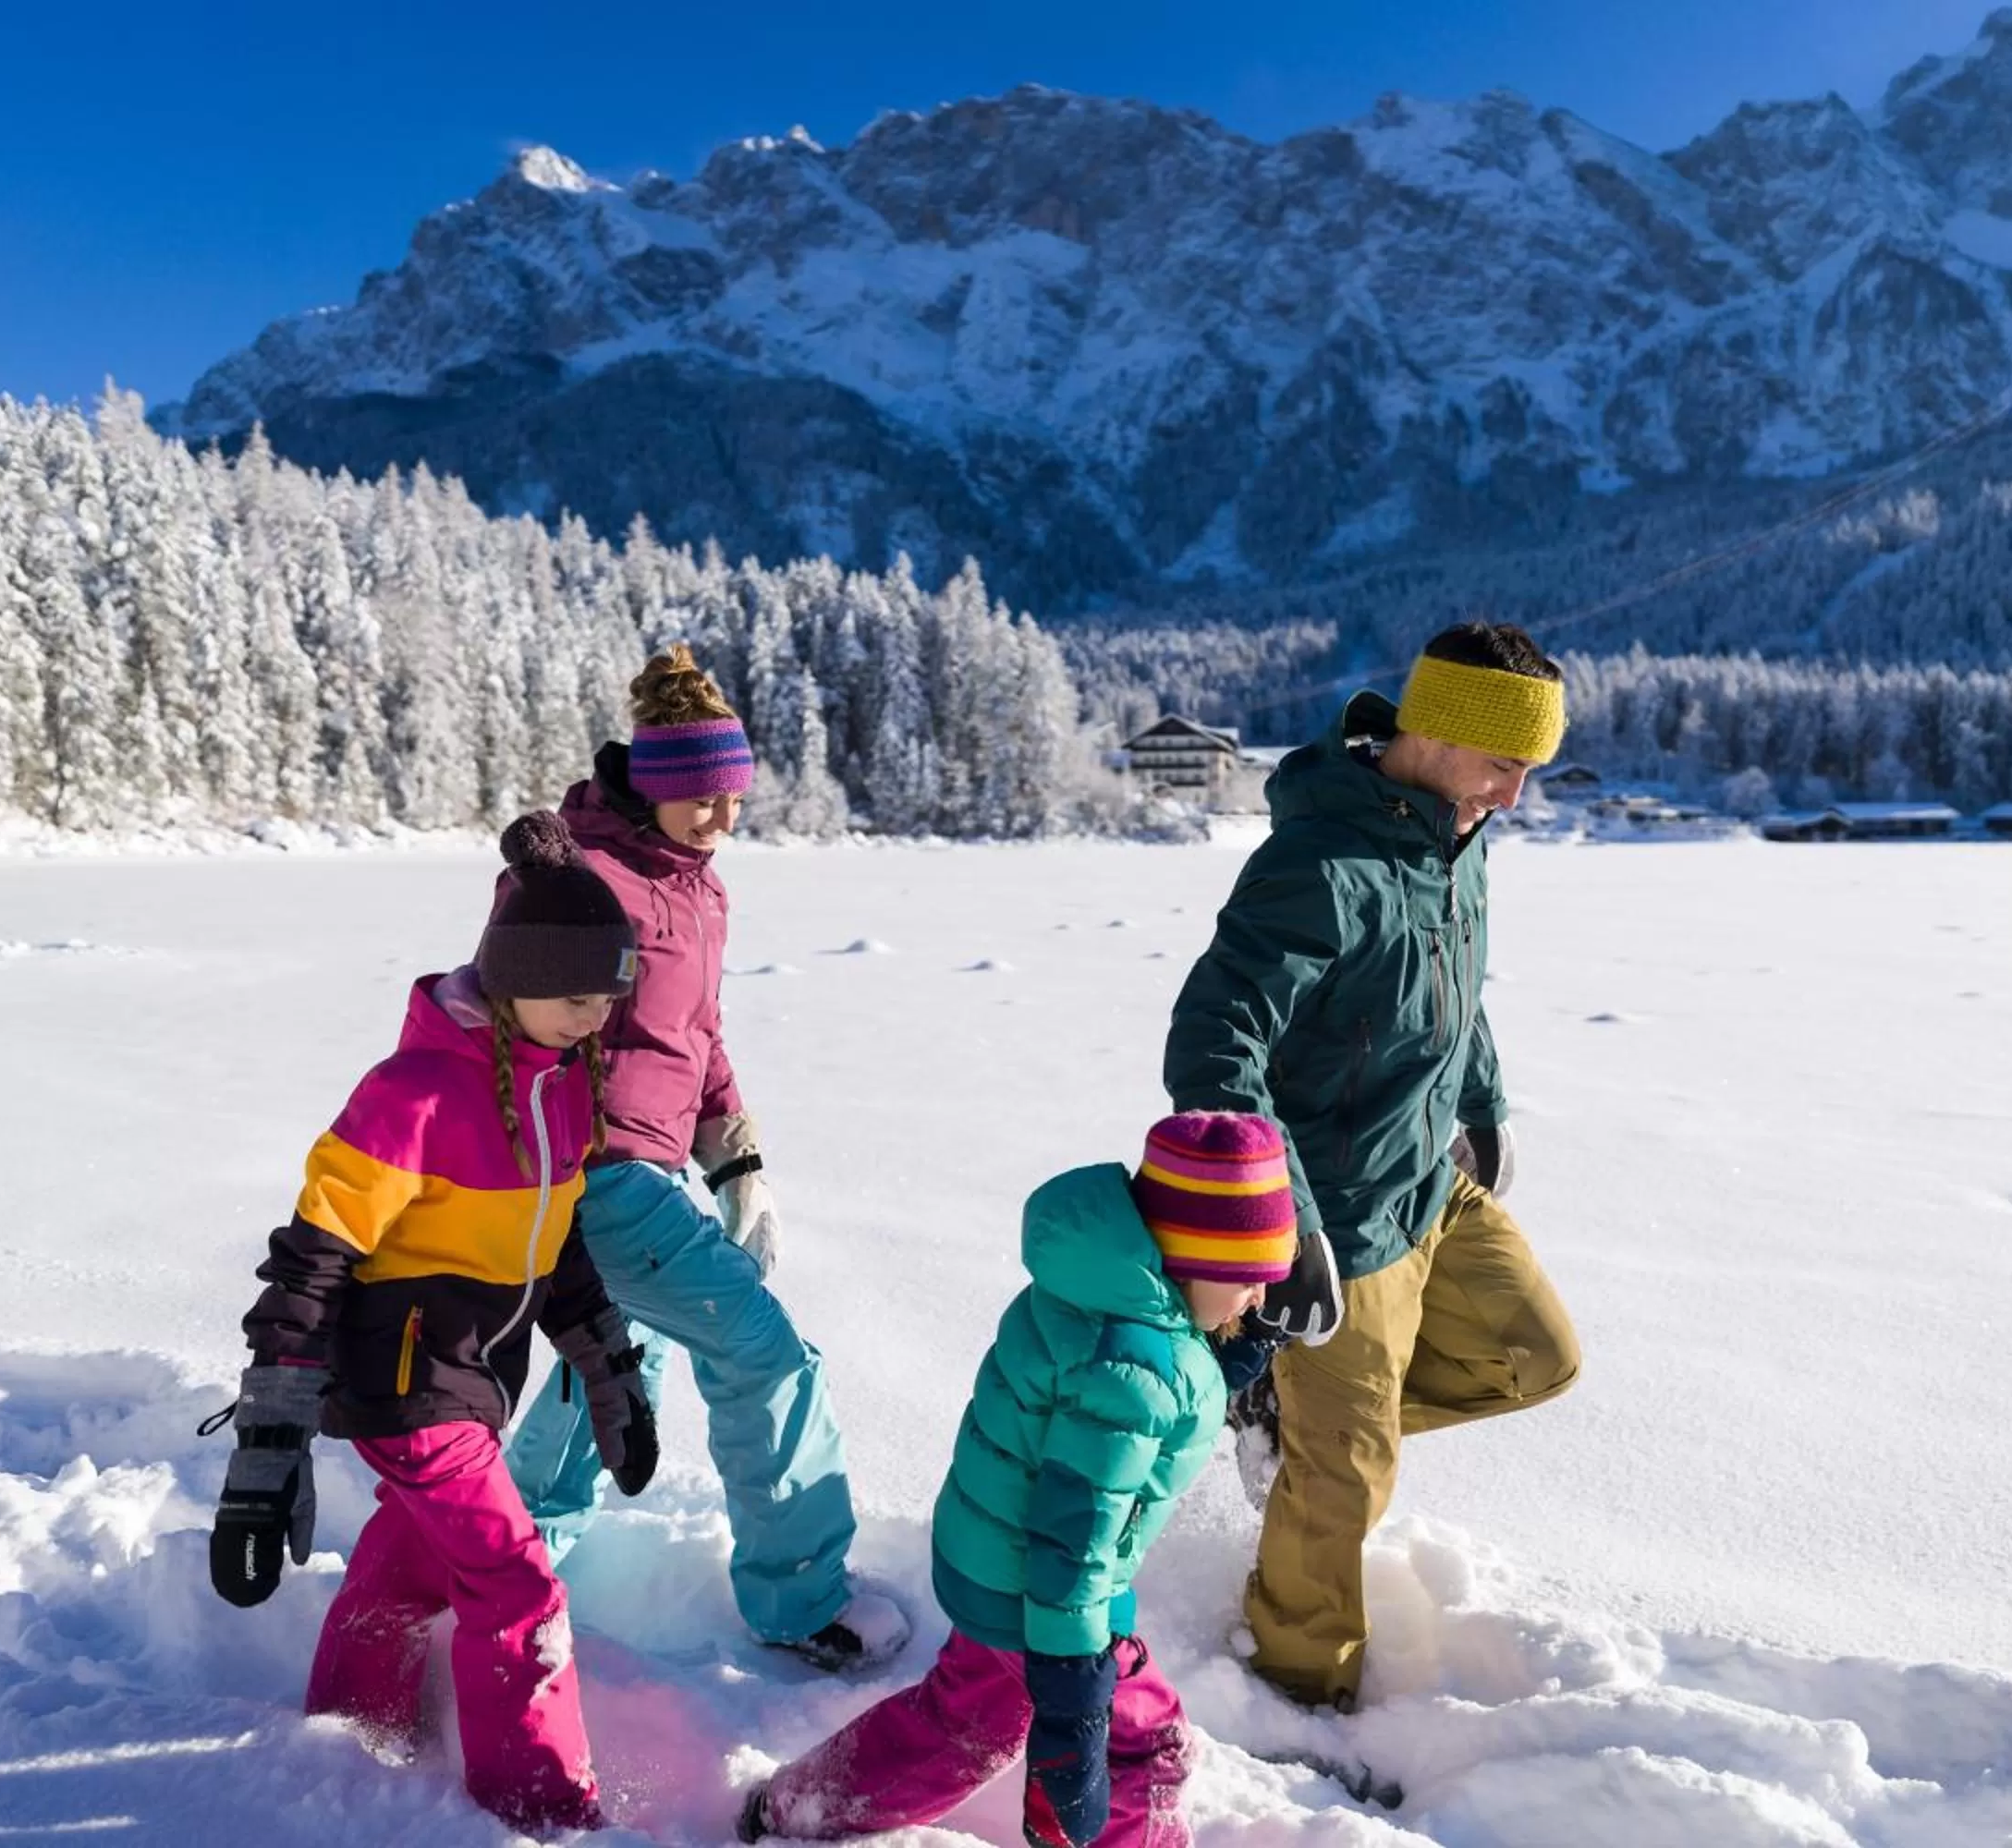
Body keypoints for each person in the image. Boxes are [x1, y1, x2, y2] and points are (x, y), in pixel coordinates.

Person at [208, 809, 659, 1834]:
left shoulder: (563, 1093)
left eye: (609, 997)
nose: (597, 1018)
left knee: (411, 1570)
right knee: (517, 1587)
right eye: (577, 994)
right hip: (409, 1384)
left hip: (473, 1383)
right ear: (512, 978)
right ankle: (539, 1809)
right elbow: (312, 1256)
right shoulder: (409, 1093)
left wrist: (609, 1368)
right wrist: (268, 1437)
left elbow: (558, 1253)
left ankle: (352, 1729)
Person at [1163, 621, 1584, 1715]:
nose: (1521, 792)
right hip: (1338, 1217)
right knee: (1343, 1483)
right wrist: (1281, 1217)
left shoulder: (1457, 832)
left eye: (1532, 766)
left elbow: (1459, 988)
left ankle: (1287, 1425)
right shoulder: (1320, 864)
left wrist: (1482, 1102)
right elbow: (1213, 1044)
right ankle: (1297, 1697)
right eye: (1506, 762)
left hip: (1430, 1180)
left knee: (1535, 1356)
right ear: (1437, 730)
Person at [733, 1111, 1299, 1848]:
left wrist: (1218, 1369)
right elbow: (1079, 1530)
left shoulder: (1109, 1295)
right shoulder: (1135, 1368)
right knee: (1142, 1747)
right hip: (1049, 1597)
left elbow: (1124, 1397)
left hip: (1003, 1566)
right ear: (1186, 1260)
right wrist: (1073, 1687)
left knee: (966, 1724)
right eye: (1246, 1278)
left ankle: (795, 1809)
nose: (1257, 1298)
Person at [505, 644, 904, 1672]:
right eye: (704, 798)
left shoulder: (699, 889)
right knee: (762, 1350)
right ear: (656, 785)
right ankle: (802, 1598)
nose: (724, 818)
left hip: (659, 1170)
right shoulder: (590, 875)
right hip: (598, 1172)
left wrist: (738, 1161)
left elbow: (701, 1039)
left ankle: (511, 1548)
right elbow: (511, 1000)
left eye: (736, 796)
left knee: (619, 1358)